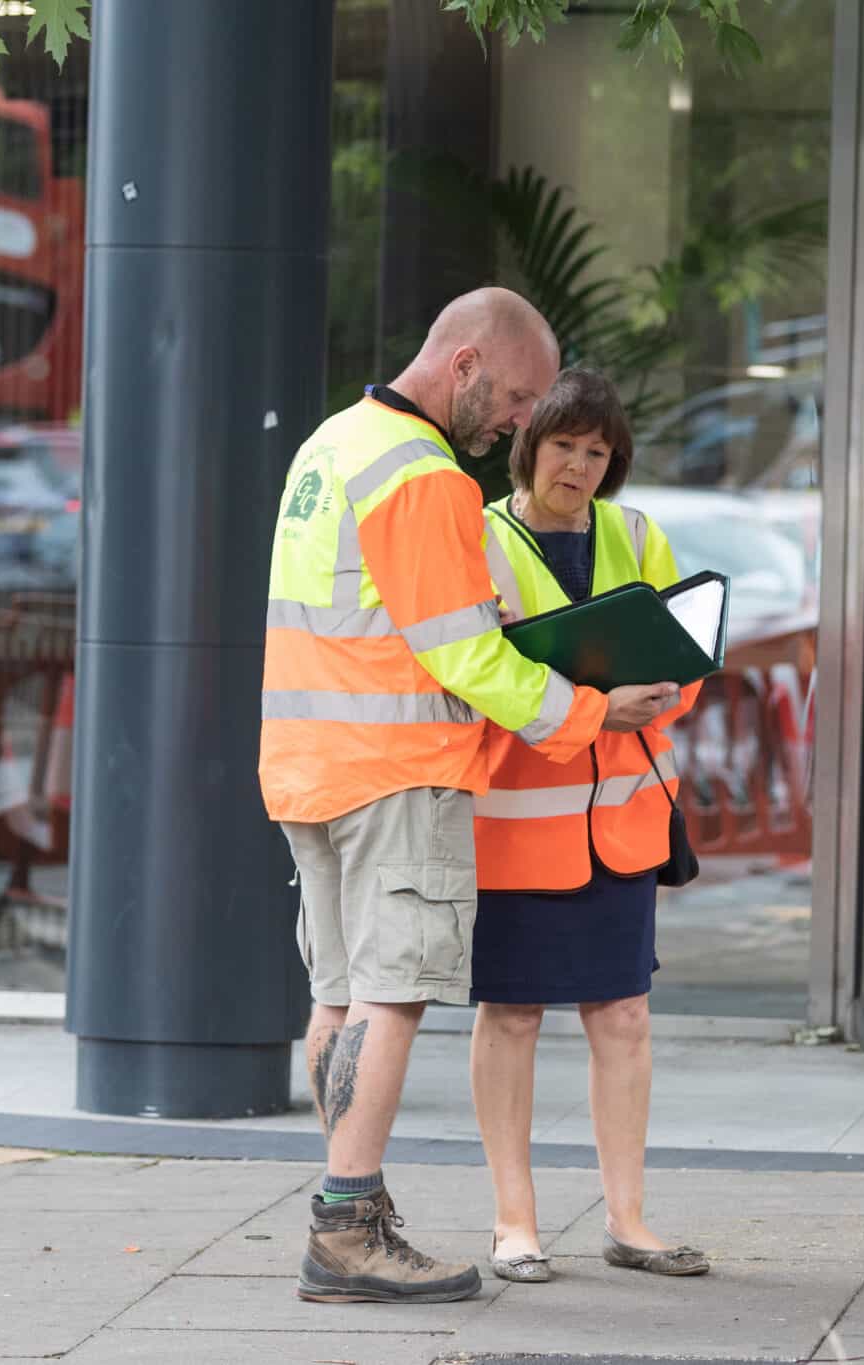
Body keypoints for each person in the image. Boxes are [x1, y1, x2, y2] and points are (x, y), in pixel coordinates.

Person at [260, 292, 682, 1305]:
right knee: (391, 996)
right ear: (461, 365)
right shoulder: (421, 475)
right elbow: (463, 654)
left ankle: (346, 1204)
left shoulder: (331, 446)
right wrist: (586, 716)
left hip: (309, 763)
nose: (513, 424)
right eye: (518, 398)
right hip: (395, 770)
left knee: (336, 996)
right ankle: (347, 1224)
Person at [468, 368, 711, 1284]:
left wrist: (660, 696)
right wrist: (584, 706)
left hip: (621, 822)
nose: (579, 464)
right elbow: (474, 668)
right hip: (518, 824)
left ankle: (629, 1220)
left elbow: (686, 652)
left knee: (625, 1018)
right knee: (514, 1016)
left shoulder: (639, 533)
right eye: (565, 444)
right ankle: (514, 1222)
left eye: (597, 451)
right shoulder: (482, 542)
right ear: (529, 445)